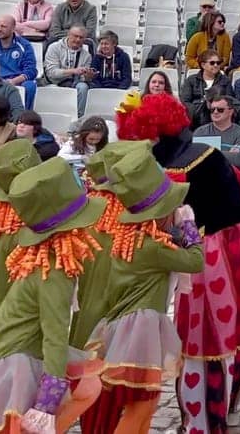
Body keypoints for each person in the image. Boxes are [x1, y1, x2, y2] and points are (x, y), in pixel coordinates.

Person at [119, 92, 240, 429]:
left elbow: (174, 223)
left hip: (211, 254)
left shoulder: (173, 168)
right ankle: (230, 405)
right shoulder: (208, 153)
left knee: (204, 336)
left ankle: (204, 416)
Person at [0, 157, 105, 431]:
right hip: (11, 366)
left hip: (6, 354)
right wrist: (47, 403)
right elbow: (55, 335)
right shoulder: (55, 271)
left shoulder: (42, 257)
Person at [80, 146, 203, 433]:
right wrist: (188, 226)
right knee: (143, 401)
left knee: (128, 399)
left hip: (118, 327)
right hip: (142, 330)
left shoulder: (126, 240)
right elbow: (195, 261)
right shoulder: (153, 248)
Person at [42, 26, 95, 116]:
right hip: (54, 82)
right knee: (52, 88)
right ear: (68, 35)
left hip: (74, 83)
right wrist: (73, 71)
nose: (78, 40)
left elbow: (83, 79)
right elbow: (51, 73)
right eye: (75, 36)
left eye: (81, 37)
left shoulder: (87, 56)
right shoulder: (54, 48)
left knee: (83, 87)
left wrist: (88, 77)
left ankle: (79, 117)